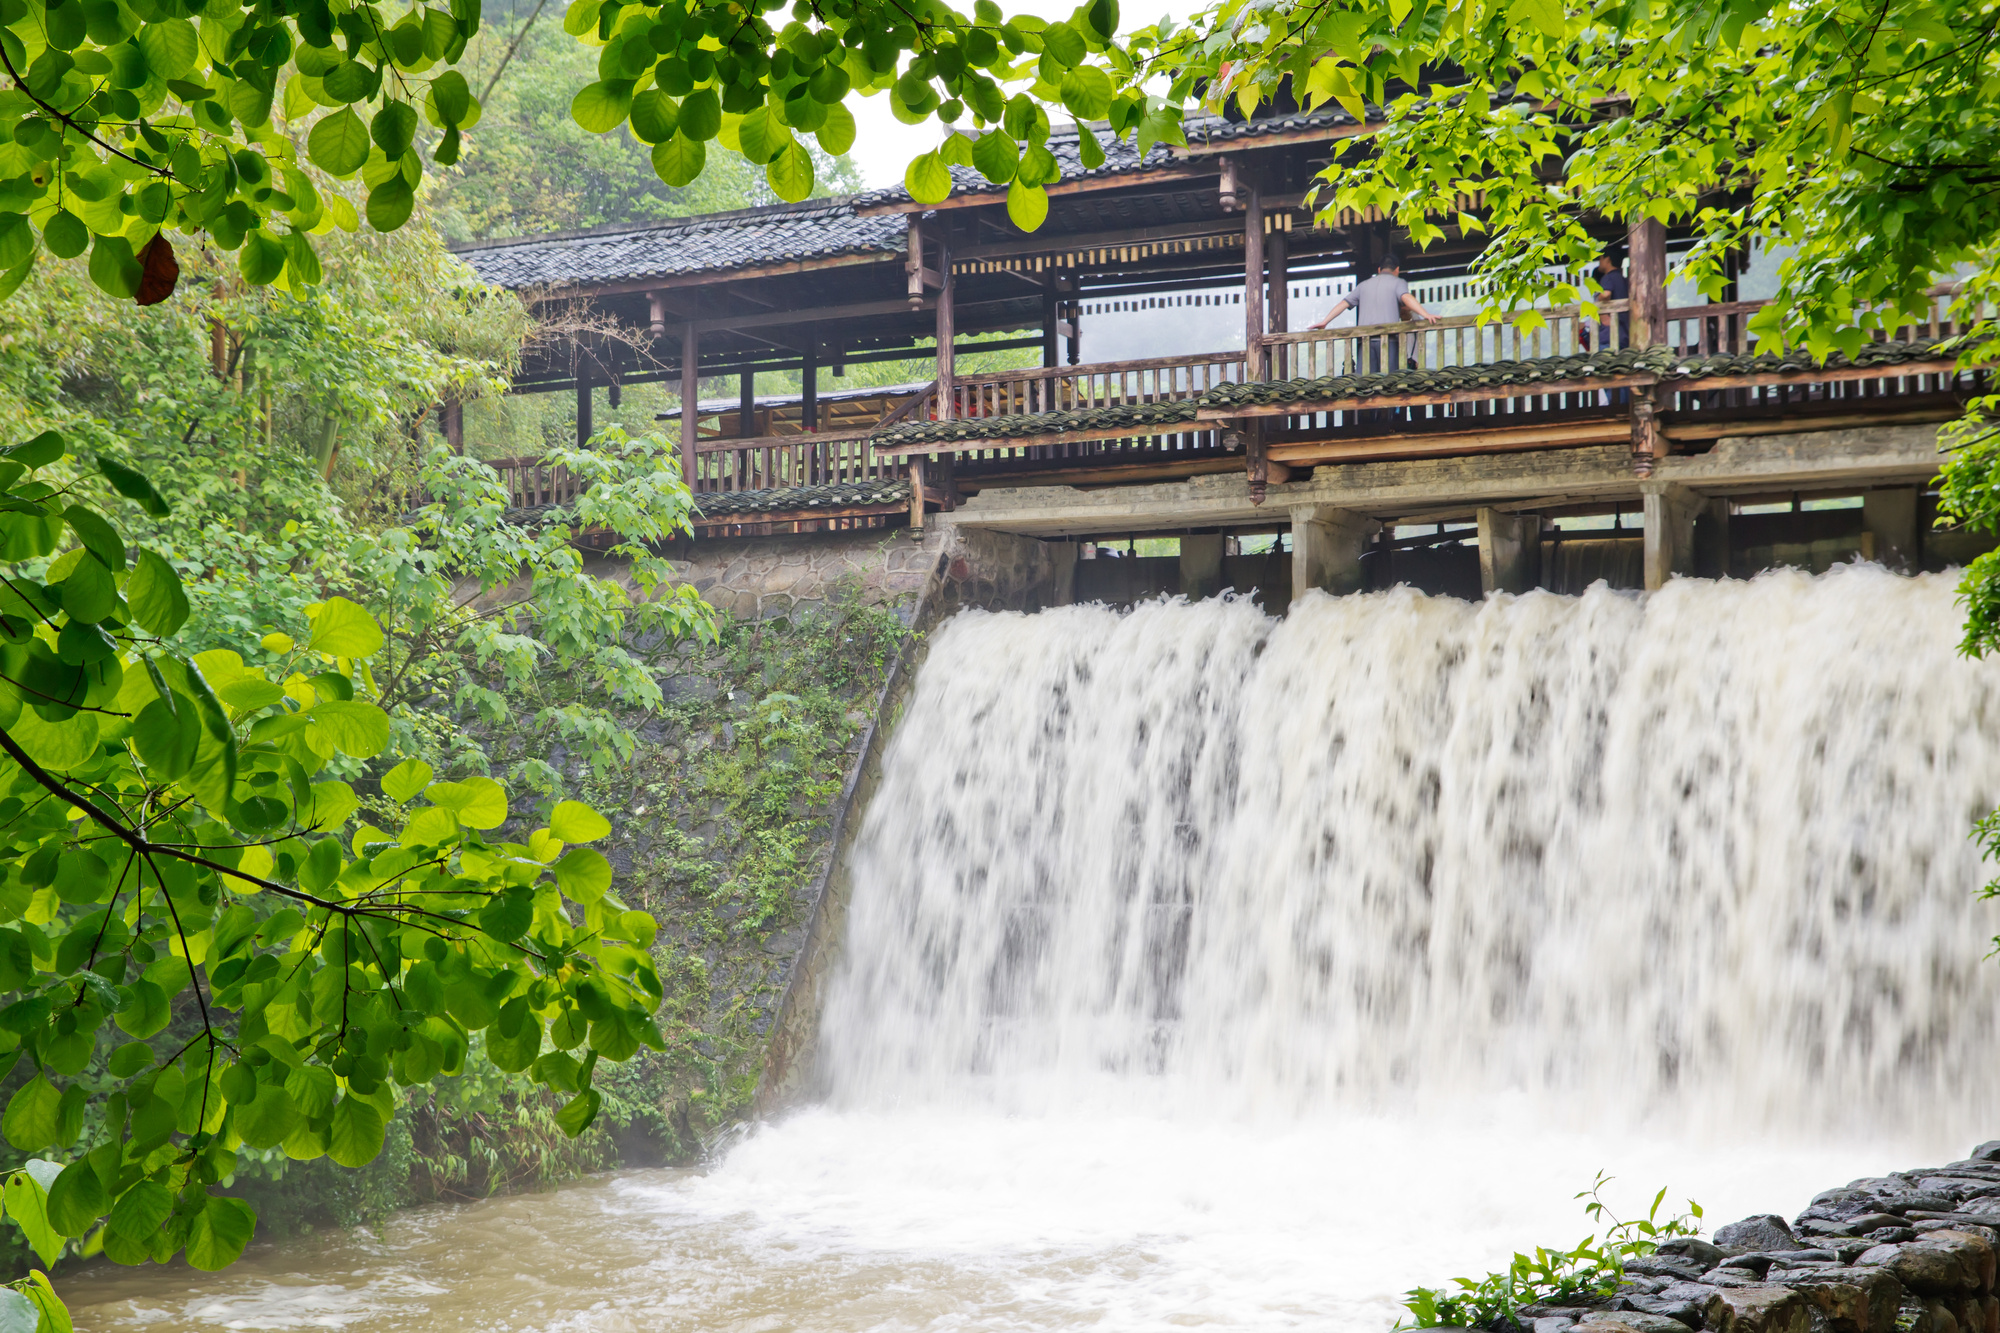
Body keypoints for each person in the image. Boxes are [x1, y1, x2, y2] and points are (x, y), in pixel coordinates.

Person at [1309, 252, 1442, 374]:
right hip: (1388, 341)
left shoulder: (1363, 285)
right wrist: (1426, 314)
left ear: (1379, 270)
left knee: (1365, 382)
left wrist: (1325, 321)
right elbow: (1405, 297)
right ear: (1397, 270)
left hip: (1365, 342)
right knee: (1389, 381)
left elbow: (1344, 303)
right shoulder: (1398, 282)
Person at [1581, 245, 1630, 353]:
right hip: (1624, 336)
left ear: (1607, 259)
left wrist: (1599, 303)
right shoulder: (1624, 280)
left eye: (1600, 258)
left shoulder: (1608, 277)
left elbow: (1606, 294)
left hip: (1608, 337)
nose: (1599, 262)